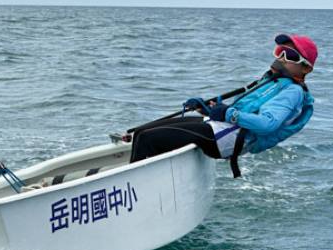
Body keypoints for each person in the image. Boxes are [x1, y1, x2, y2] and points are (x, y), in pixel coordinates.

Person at [129, 34, 317, 177]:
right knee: (141, 133)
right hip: (221, 129)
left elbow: (266, 124)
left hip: (227, 139)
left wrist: (228, 113)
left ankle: (136, 187)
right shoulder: (273, 82)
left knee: (147, 138)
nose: (281, 58)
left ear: (306, 68)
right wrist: (208, 109)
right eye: (279, 52)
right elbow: (243, 112)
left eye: (290, 55)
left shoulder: (294, 92)